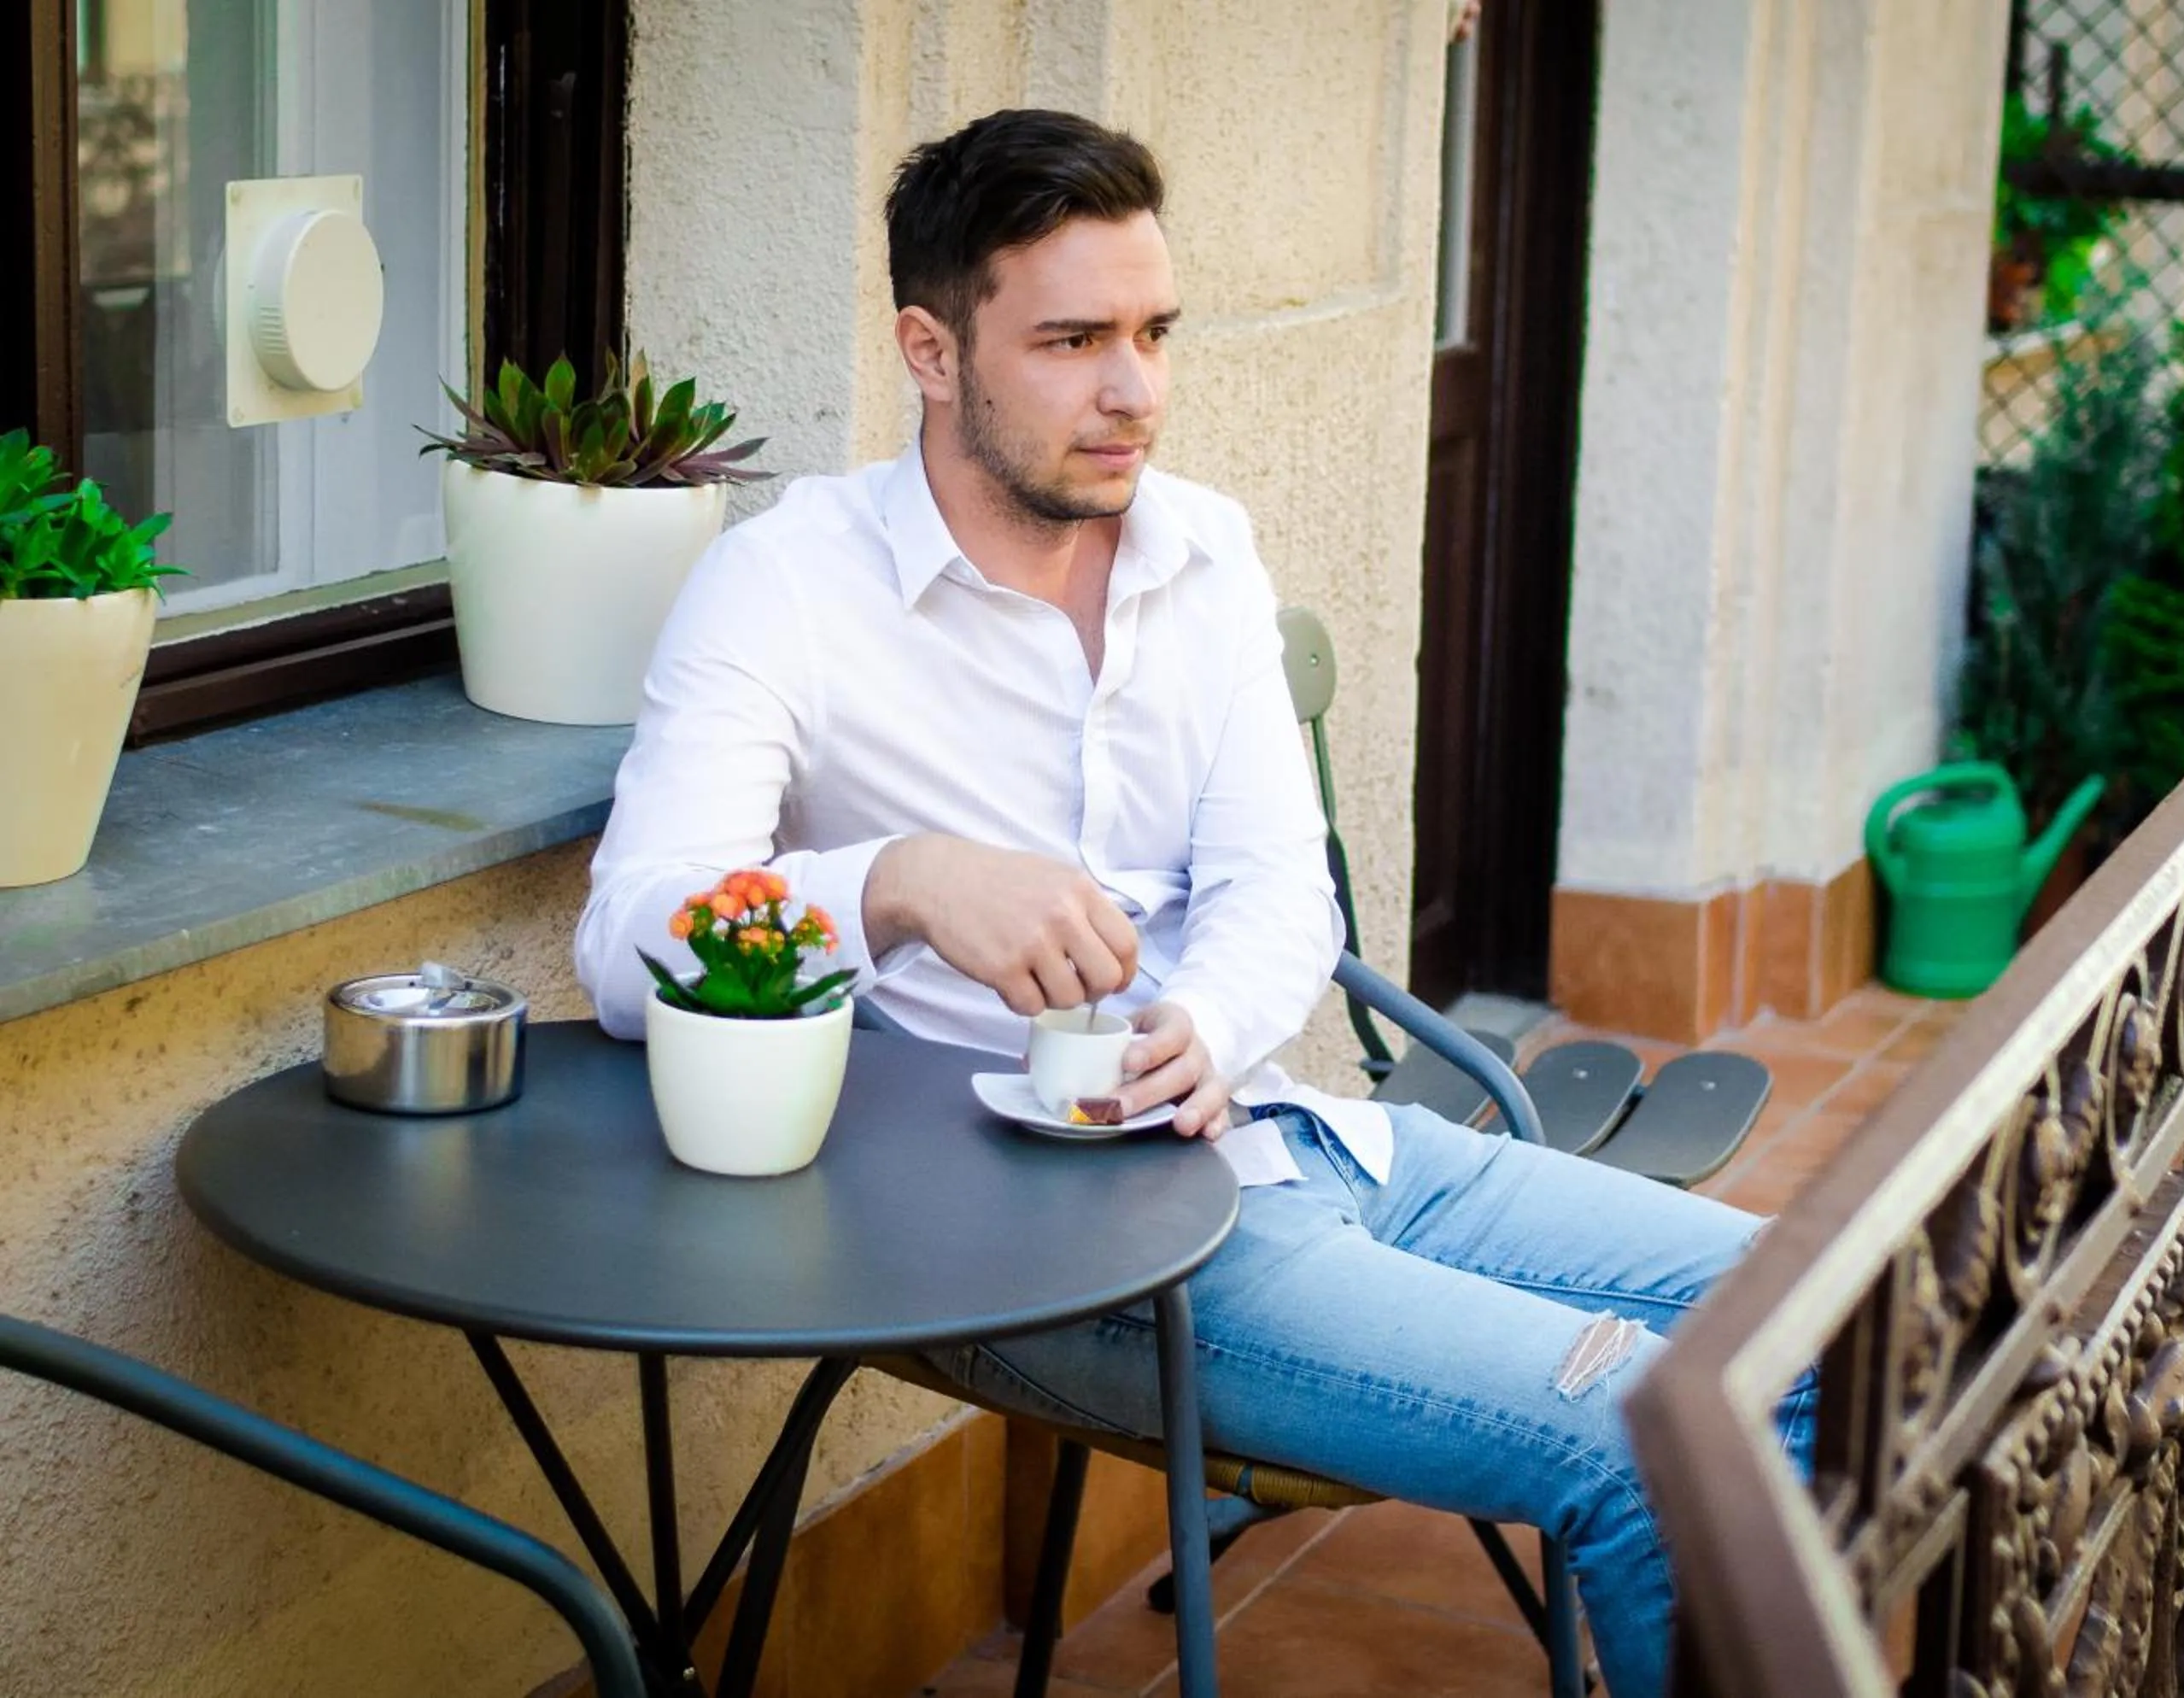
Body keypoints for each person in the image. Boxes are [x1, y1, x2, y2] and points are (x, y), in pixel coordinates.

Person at [575, 107, 1813, 1697]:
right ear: (930, 350)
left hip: (1302, 1138)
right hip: (1050, 1248)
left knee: (1833, 1322)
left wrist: (1209, 1030)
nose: (1135, 390)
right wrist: (896, 881)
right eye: (1075, 338)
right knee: (1645, 1438)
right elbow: (626, 943)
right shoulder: (790, 585)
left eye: (1155, 331)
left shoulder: (1201, 549)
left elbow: (1277, 890)